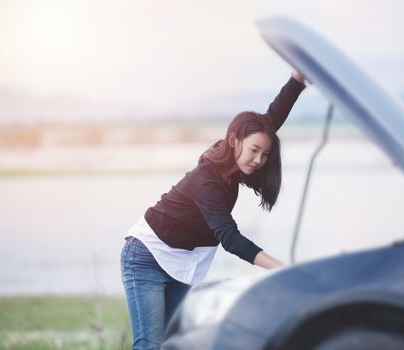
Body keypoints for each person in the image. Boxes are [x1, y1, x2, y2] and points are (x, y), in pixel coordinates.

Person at [121, 71, 306, 349]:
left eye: (265, 154)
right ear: (234, 140)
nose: (259, 160)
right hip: (146, 256)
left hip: (181, 261)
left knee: (172, 344)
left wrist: (297, 81)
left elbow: (272, 118)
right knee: (150, 346)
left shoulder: (234, 155)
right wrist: (280, 268)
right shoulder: (208, 181)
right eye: (254, 150)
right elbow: (229, 238)